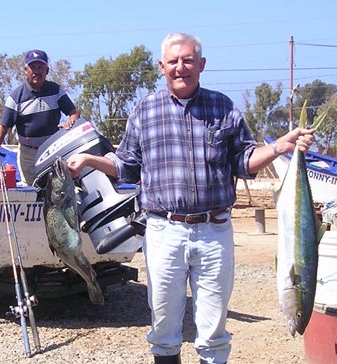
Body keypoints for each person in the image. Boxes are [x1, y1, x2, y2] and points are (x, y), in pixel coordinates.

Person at [66, 33, 315, 364]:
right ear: (161, 66)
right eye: (173, 61)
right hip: (163, 232)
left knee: (213, 332)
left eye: (187, 60)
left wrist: (279, 147)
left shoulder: (223, 107)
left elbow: (243, 161)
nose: (180, 68)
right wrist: (87, 160)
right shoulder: (145, 110)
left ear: (201, 65)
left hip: (215, 232)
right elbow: (125, 165)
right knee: (164, 328)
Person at [0, 49, 80, 186]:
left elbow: (73, 112)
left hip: (53, 150)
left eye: (40, 67)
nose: (36, 71)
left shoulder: (56, 91)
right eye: (32, 67)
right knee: (32, 191)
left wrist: (71, 122)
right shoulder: (16, 97)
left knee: (56, 189)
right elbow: (3, 126)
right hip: (28, 154)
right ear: (25, 70)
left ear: (47, 70)